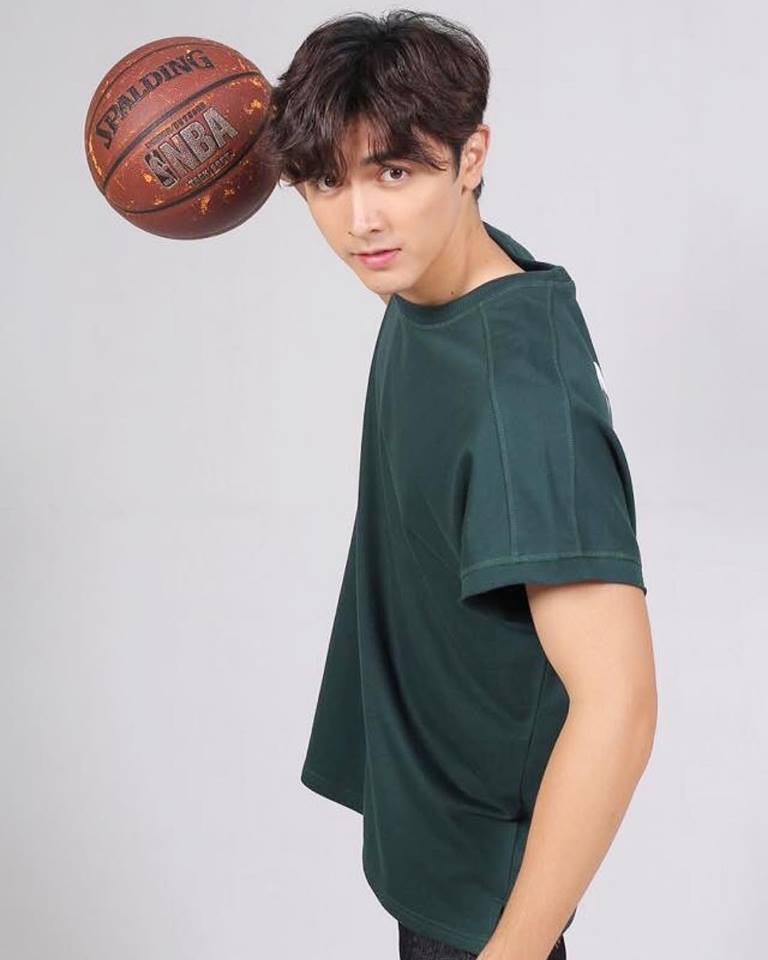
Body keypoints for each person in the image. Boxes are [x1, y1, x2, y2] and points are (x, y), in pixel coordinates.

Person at [265, 10, 657, 960]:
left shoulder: (522, 404)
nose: (360, 220)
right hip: (433, 829)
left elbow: (621, 705)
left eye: (394, 173)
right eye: (327, 182)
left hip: (488, 903)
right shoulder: (434, 276)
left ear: (471, 157)